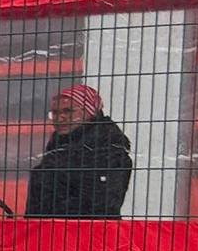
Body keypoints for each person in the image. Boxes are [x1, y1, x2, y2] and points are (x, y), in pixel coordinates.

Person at [25, 84, 134, 218]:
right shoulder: (58, 146)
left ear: (89, 112)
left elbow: (104, 204)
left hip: (90, 233)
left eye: (68, 111)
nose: (60, 118)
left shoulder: (109, 148)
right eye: (55, 113)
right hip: (50, 232)